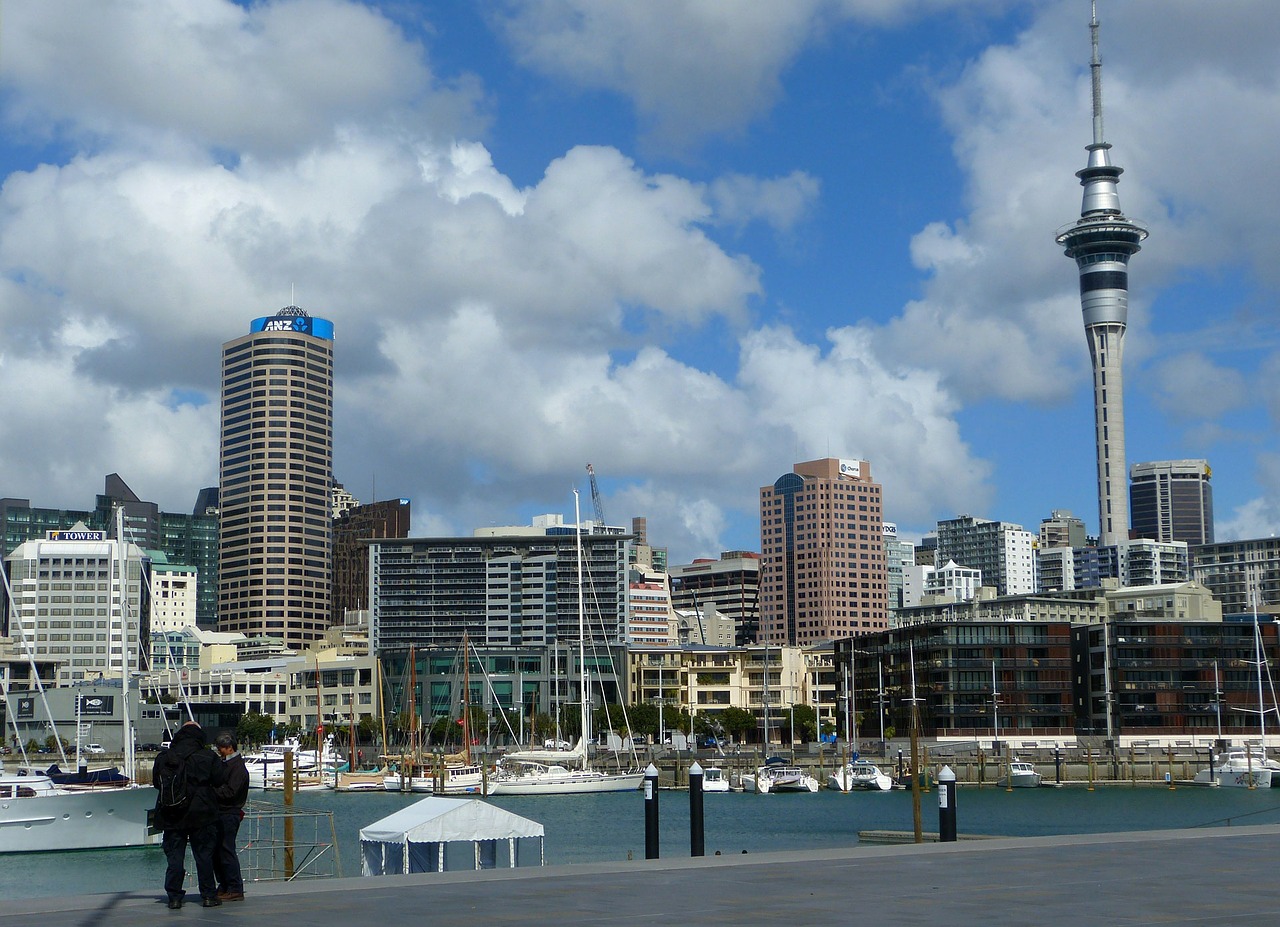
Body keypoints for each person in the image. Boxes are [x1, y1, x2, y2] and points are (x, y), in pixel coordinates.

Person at [152, 720, 224, 909]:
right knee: (204, 856)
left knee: (175, 856)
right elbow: (219, 780)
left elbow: (156, 783)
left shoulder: (164, 757)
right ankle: (208, 895)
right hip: (202, 812)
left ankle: (174, 897)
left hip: (171, 812)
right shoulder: (208, 756)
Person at [212, 732, 249, 902]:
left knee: (226, 850)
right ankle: (226, 884)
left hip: (229, 812)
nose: (219, 751)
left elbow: (231, 792)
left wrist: (211, 792)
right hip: (222, 812)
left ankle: (234, 887)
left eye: (221, 749)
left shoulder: (238, 768)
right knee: (219, 850)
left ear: (229, 748)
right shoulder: (228, 764)